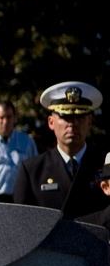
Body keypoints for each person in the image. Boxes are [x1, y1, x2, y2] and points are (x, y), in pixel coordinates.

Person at [14, 82, 108, 219]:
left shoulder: (105, 165)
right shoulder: (32, 170)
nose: (73, 124)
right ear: (51, 122)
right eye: (65, 117)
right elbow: (20, 220)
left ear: (89, 122)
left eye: (80, 117)